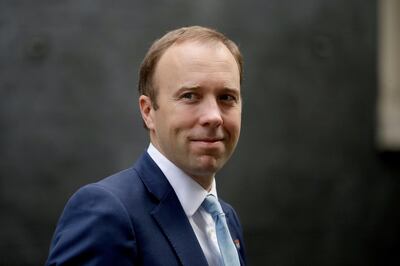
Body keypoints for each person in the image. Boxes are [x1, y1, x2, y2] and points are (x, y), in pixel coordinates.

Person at [46, 26, 246, 266]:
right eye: (190, 96)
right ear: (148, 111)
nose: (214, 116)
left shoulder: (226, 219)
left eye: (226, 97)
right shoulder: (108, 212)